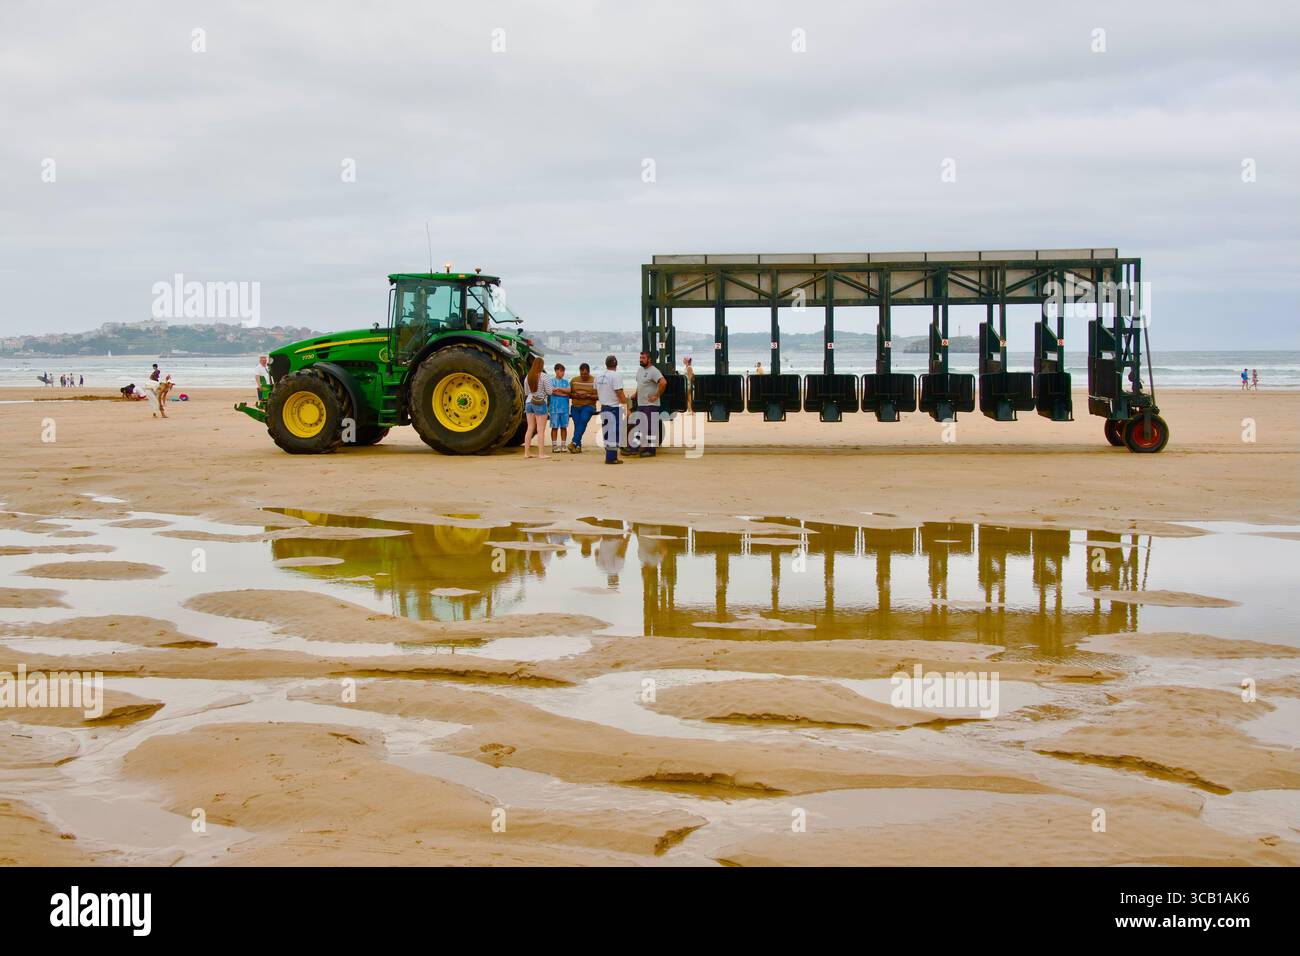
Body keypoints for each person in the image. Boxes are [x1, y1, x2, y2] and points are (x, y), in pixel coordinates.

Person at [595, 354, 630, 465]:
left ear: (606, 364)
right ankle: (611, 457)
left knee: (607, 431)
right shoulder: (616, 376)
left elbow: (596, 390)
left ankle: (609, 454)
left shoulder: (598, 376)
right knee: (614, 433)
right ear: (616, 364)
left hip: (603, 406)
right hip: (614, 407)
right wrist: (626, 402)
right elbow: (619, 392)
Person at [632, 351, 666, 457]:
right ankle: (638, 448)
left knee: (651, 428)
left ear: (649, 359)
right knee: (639, 426)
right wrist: (635, 394)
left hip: (651, 405)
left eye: (643, 358)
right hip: (641, 403)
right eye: (640, 357)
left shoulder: (654, 371)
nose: (641, 359)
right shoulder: (640, 370)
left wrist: (656, 395)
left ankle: (651, 451)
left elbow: (663, 382)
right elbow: (640, 384)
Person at [521, 356, 555, 459]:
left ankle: (526, 453)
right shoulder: (544, 377)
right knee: (540, 430)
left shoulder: (528, 376)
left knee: (530, 428)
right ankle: (541, 454)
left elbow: (526, 392)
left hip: (529, 403)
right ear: (542, 366)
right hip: (540, 403)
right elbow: (550, 392)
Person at [567, 362, 598, 452]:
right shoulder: (574, 380)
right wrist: (576, 395)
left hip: (589, 406)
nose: (583, 376)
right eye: (582, 374)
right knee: (577, 424)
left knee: (583, 419)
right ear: (579, 372)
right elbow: (569, 394)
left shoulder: (594, 381)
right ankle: (577, 446)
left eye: (585, 374)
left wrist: (588, 396)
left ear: (589, 372)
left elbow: (598, 396)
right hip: (576, 405)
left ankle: (574, 442)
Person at [548, 363, 571, 453]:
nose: (562, 373)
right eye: (561, 371)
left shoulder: (566, 382)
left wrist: (559, 389)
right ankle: (554, 445)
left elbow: (569, 391)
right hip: (554, 408)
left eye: (563, 371)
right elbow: (552, 392)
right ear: (556, 371)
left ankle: (563, 445)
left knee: (564, 427)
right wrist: (563, 393)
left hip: (564, 408)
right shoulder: (551, 381)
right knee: (554, 427)